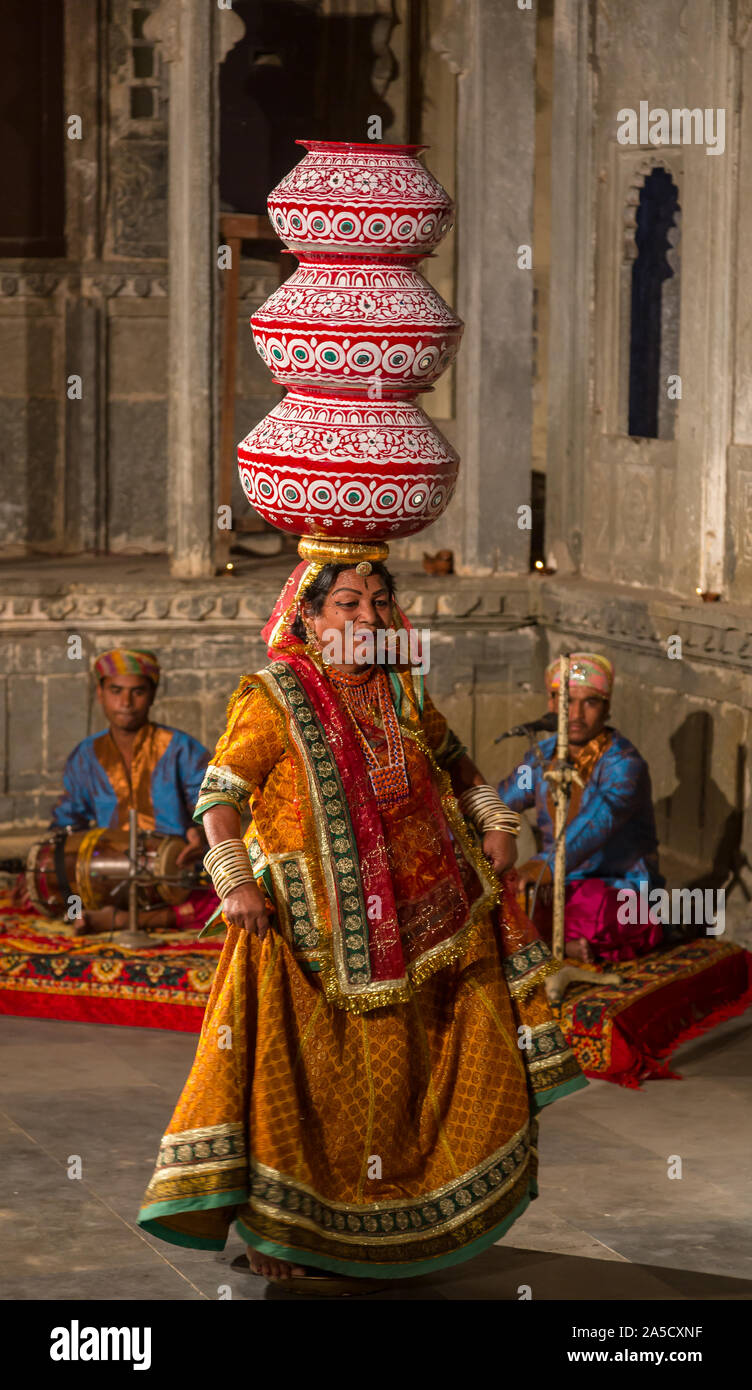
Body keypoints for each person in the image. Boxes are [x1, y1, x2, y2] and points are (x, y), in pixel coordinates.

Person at [137, 546, 586, 1292]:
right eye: (347, 604)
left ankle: (399, 1229)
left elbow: (454, 761)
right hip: (305, 942)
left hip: (423, 934)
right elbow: (220, 796)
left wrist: (494, 814)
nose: (368, 617)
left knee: (405, 1086)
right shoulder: (273, 696)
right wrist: (234, 881)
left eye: (377, 602)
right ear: (308, 617)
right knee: (305, 1091)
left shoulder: (401, 688)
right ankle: (283, 1233)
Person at [498, 651, 665, 964]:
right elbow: (501, 802)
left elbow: (595, 824)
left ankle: (540, 946)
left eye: (590, 702)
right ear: (550, 704)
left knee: (602, 914)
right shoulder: (541, 757)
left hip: (616, 889)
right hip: (553, 886)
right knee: (491, 898)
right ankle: (554, 947)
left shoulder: (624, 766)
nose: (575, 714)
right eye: (565, 700)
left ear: (607, 708)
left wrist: (543, 866)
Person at [50, 648, 216, 932]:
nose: (126, 702)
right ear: (100, 693)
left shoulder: (181, 749)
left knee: (235, 898)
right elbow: (65, 827)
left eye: (137, 692)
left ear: (152, 695)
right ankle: (111, 914)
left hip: (174, 876)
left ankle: (121, 920)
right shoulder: (86, 755)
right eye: (116, 691)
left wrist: (199, 836)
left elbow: (212, 806)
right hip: (105, 874)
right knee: (43, 884)